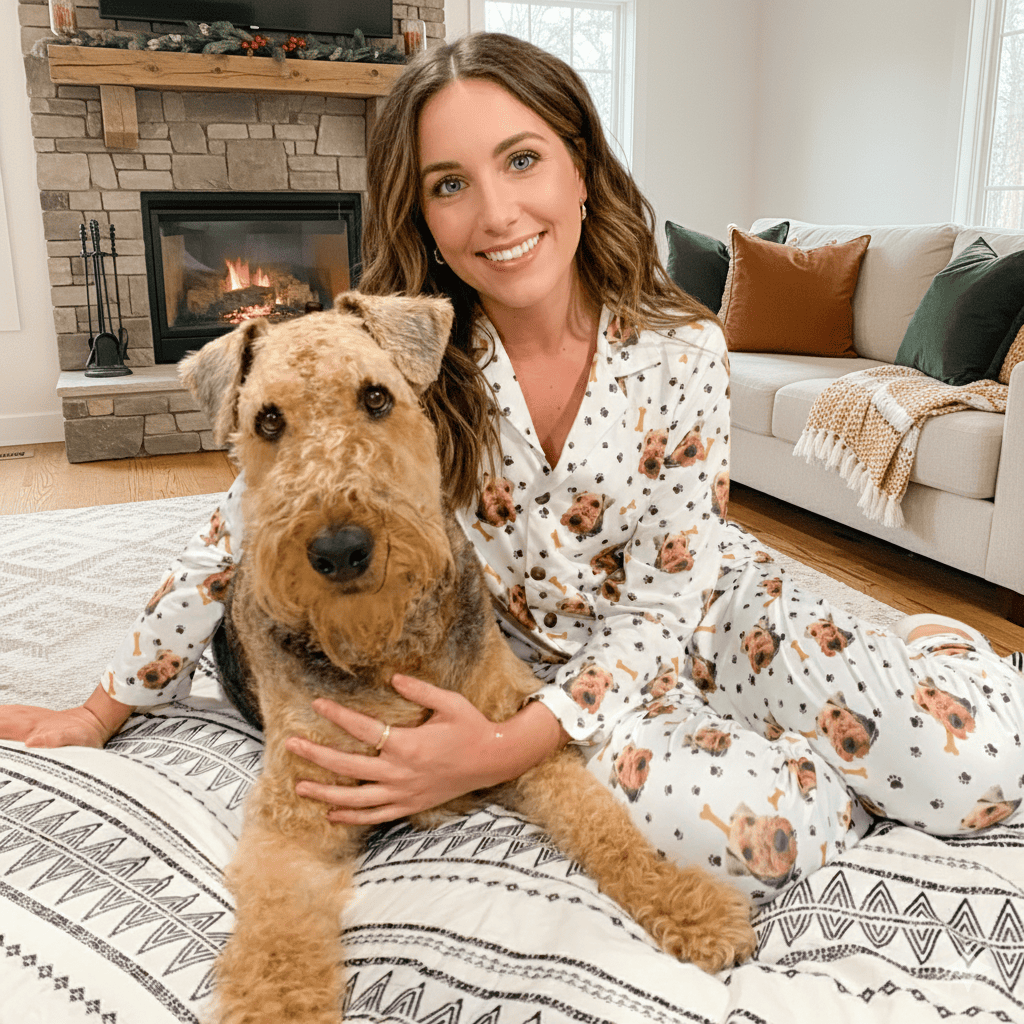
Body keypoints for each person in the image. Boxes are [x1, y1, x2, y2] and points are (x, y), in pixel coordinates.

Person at [2, 33, 1021, 906]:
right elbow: (237, 529)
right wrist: (100, 708)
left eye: (523, 159)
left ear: (580, 165)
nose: (494, 214)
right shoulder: (400, 365)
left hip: (710, 610)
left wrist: (490, 759)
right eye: (450, 184)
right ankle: (844, 762)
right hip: (547, 674)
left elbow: (670, 598)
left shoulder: (682, 349)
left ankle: (939, 663)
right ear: (426, 217)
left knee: (975, 770)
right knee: (758, 838)